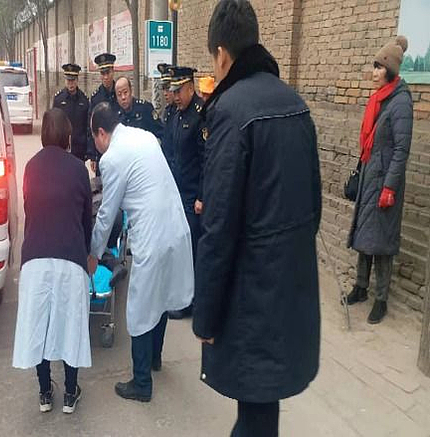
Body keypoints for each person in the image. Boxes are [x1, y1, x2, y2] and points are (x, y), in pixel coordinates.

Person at [192, 2, 321, 436]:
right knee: (263, 412)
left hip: (250, 300)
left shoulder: (231, 112)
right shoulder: (295, 103)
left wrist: (206, 317)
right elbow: (314, 208)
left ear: (222, 54)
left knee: (255, 417)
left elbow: (217, 229)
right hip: (290, 291)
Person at [88, 102, 194, 402]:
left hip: (152, 237)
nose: (96, 146)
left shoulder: (112, 158)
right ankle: (154, 359)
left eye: (94, 139)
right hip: (176, 228)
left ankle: (142, 383)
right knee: (162, 297)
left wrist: (94, 254)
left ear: (101, 133)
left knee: (140, 308)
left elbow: (107, 214)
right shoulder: (144, 136)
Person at [13, 108, 93, 414]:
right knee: (70, 324)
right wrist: (86, 252)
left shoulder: (31, 167)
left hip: (35, 259)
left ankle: (45, 392)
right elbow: (86, 219)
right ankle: (71, 393)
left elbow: (30, 211)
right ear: (67, 135)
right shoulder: (78, 169)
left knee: (40, 325)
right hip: (70, 258)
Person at [346, 36, 413, 324]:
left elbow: (401, 150)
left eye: (379, 67)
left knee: (382, 242)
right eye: (374, 66)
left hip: (385, 183)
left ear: (391, 70)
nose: (374, 72)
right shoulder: (378, 99)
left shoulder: (400, 103)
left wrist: (389, 187)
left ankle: (381, 299)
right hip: (369, 176)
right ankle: (361, 287)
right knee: (365, 235)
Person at [166, 66, 206, 320]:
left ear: (190, 88)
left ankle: (192, 301)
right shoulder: (176, 114)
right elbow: (170, 152)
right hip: (177, 193)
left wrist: (202, 195)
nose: (175, 96)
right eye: (173, 91)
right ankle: (182, 294)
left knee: (191, 249)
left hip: (193, 197)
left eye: (179, 91)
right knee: (179, 247)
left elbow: (207, 160)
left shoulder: (202, 115)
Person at [87, 53, 118, 174]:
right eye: (102, 73)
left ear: (113, 71)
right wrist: (93, 155)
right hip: (102, 152)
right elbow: (91, 127)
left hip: (118, 148)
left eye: (108, 73)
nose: (105, 77)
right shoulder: (96, 98)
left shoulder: (120, 94)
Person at [53, 63, 89, 161]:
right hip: (63, 148)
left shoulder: (84, 100)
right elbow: (54, 125)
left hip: (79, 149)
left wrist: (87, 149)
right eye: (68, 80)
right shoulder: (58, 99)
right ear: (65, 81)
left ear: (77, 80)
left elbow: (87, 126)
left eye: (73, 80)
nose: (70, 84)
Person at [115, 76, 164, 141]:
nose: (123, 97)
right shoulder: (116, 116)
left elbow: (161, 132)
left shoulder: (145, 108)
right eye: (119, 94)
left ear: (131, 91)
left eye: (125, 92)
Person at [158, 62, 177, 168]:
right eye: (163, 88)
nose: (165, 93)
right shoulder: (167, 111)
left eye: (168, 88)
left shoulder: (180, 111)